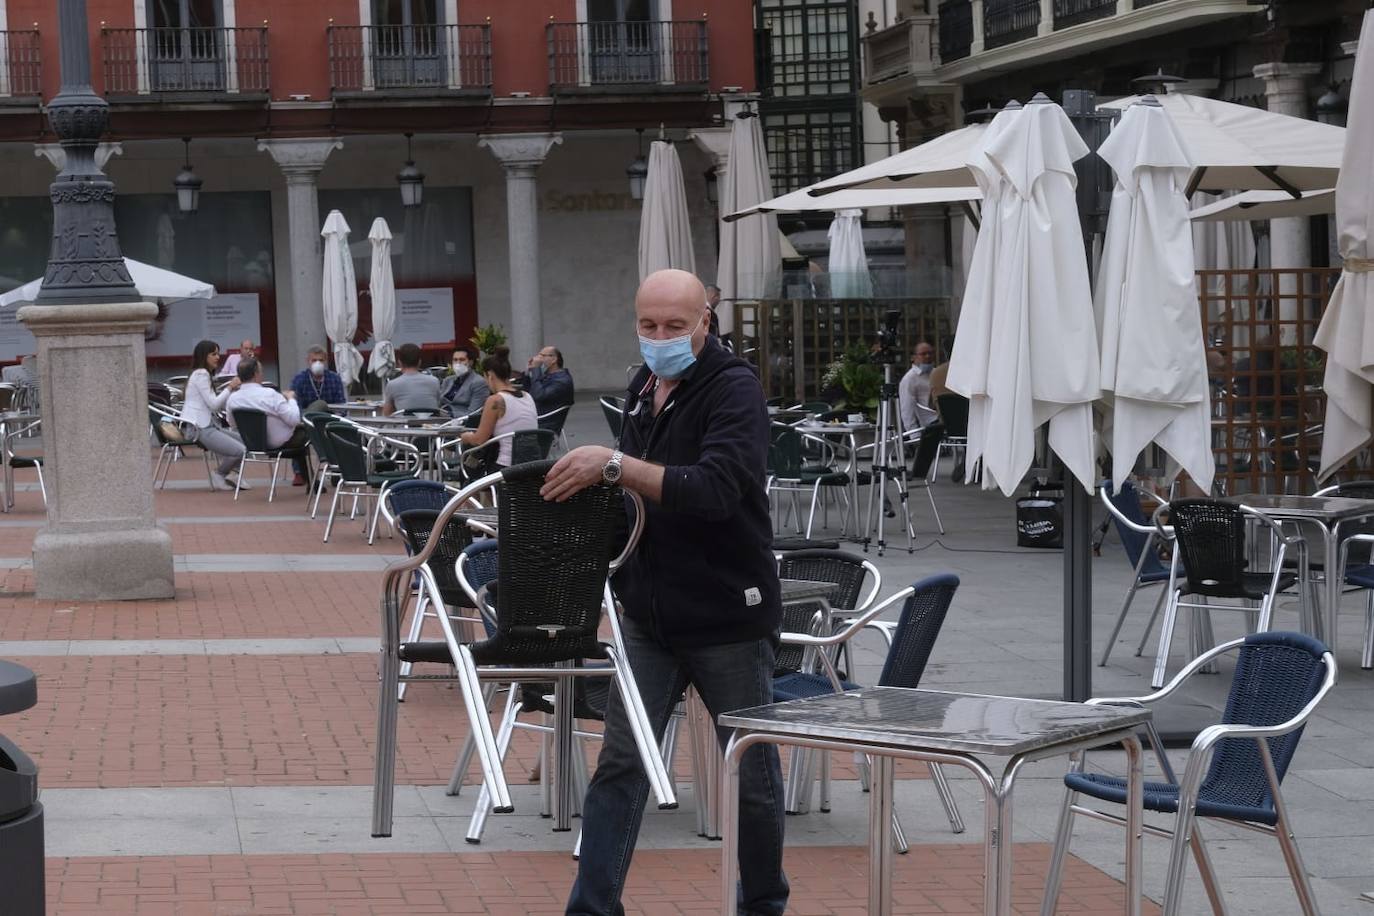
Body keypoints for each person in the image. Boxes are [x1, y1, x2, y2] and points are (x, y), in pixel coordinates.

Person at [543, 269, 788, 916]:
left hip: (727, 614)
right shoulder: (646, 384)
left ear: (706, 321)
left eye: (675, 326)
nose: (660, 338)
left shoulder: (735, 389)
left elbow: (712, 490)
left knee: (752, 774)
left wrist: (616, 464)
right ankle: (591, 909)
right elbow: (633, 500)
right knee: (621, 765)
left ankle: (763, 904)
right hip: (649, 615)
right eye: (648, 325)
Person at [179, 340, 249, 492]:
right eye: (213, 354)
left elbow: (214, 404)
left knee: (246, 441)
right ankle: (220, 474)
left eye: (218, 353)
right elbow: (214, 404)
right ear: (204, 356)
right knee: (240, 450)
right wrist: (231, 387)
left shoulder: (201, 374)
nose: (218, 357)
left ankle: (234, 474)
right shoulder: (201, 374)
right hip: (200, 428)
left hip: (209, 426)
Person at [457, 346, 538, 469]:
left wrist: (465, 436)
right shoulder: (527, 396)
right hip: (531, 464)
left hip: (505, 468)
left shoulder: (495, 400)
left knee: (469, 464)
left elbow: (479, 439)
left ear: (489, 375)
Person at [226, 357, 308, 459]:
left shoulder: (232, 399)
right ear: (256, 374)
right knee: (314, 418)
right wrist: (291, 399)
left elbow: (232, 424)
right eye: (261, 371)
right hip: (281, 443)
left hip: (252, 444)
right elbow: (294, 420)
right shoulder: (270, 394)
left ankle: (301, 474)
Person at [289, 345, 346, 485]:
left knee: (343, 432)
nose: (317, 363)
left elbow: (341, 404)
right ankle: (300, 472)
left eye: (320, 360)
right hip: (307, 421)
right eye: (314, 360)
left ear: (326, 360)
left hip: (329, 420)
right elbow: (295, 406)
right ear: (308, 361)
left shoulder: (334, 378)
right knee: (298, 435)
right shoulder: (299, 380)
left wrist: (336, 416)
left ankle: (337, 470)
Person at [520, 344, 575, 426]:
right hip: (533, 417)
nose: (538, 359)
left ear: (554, 359)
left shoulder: (562, 381)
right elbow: (527, 394)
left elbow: (538, 395)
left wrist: (536, 370)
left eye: (542, 356)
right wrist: (528, 372)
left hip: (543, 423)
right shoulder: (547, 376)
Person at [382, 343, 441, 416]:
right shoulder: (434, 381)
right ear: (419, 362)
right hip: (432, 425)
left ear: (399, 363)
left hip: (405, 426)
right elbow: (437, 405)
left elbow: (387, 414)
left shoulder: (392, 384)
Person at [439, 345, 490, 420]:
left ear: (471, 362)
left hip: (462, 422)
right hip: (441, 420)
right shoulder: (448, 380)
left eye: (462, 360)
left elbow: (474, 413)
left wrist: (450, 414)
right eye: (455, 360)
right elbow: (439, 403)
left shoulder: (479, 382)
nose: (458, 363)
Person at [898, 340, 939, 431]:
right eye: (923, 354)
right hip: (925, 426)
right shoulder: (909, 379)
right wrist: (915, 437)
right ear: (914, 357)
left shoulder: (937, 373)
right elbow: (907, 410)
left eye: (930, 353)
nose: (928, 356)